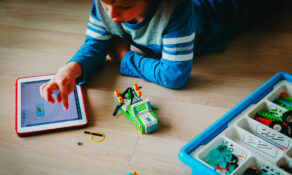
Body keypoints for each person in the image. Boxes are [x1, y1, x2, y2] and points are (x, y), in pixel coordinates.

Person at [40, 0, 277, 110]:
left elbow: (174, 75)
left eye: (124, 7)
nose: (113, 14)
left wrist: (124, 57)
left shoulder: (175, 10)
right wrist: (71, 68)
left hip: (228, 13)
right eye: (106, 3)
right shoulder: (107, 6)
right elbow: (96, 44)